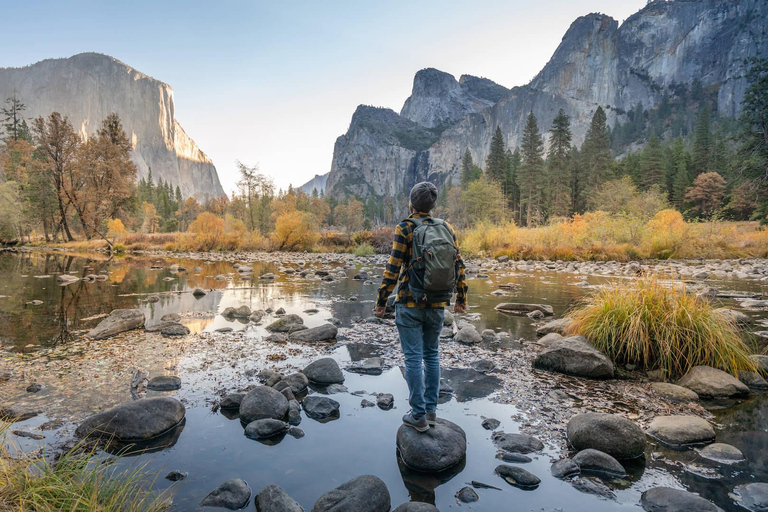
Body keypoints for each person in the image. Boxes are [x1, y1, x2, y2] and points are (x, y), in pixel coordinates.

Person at [374, 181, 467, 432]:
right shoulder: (446, 227)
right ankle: (432, 412)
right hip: (438, 303)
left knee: (413, 359)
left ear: (411, 203)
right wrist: (462, 299)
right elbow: (458, 265)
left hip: (409, 302)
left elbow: (392, 268)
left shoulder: (405, 228)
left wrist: (382, 301)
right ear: (433, 204)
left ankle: (418, 416)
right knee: (432, 355)